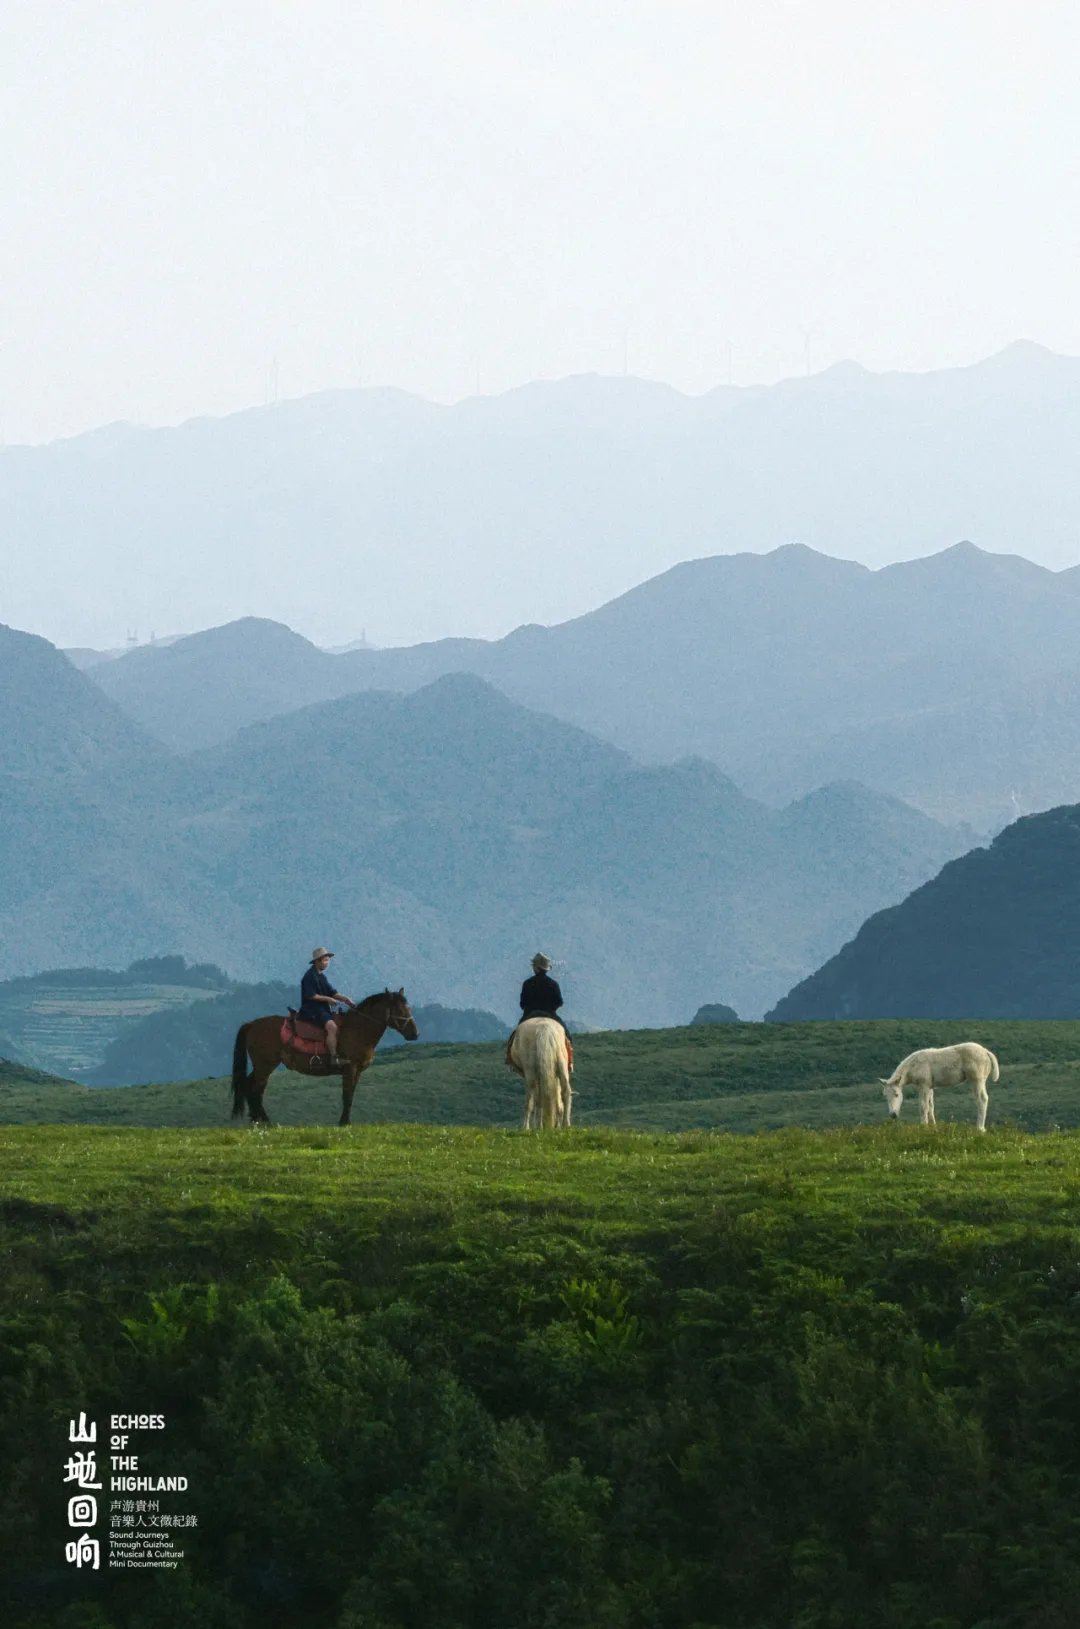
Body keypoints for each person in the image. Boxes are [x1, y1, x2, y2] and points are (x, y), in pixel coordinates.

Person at [298, 947, 354, 1060]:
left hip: (322, 1010)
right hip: (312, 1010)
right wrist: (328, 999)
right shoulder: (309, 976)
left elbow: (332, 992)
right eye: (325, 960)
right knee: (332, 1027)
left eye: (328, 960)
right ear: (317, 961)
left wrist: (345, 999)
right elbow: (311, 995)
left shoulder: (321, 977)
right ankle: (333, 1057)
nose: (327, 963)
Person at [519, 952, 567, 1030]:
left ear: (536, 967)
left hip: (529, 1016)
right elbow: (559, 1002)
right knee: (566, 1034)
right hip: (550, 1015)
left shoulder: (527, 983)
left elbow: (523, 1004)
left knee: (515, 1035)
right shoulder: (554, 984)